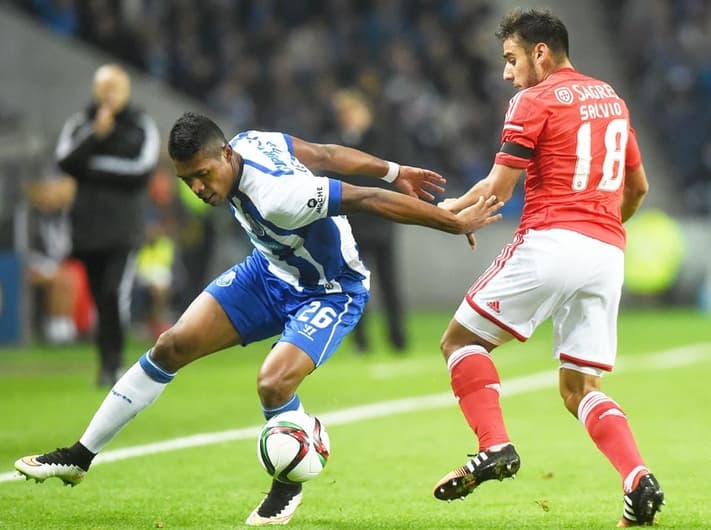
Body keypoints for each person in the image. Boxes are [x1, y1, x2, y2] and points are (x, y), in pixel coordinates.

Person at [15, 111, 504, 527]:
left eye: (204, 174)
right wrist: (394, 168)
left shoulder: (279, 197)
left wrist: (451, 221)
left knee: (273, 384)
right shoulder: (251, 141)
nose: (199, 188)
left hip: (329, 291)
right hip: (267, 272)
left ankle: (288, 481)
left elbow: (365, 199)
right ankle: (80, 457)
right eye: (188, 180)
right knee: (170, 345)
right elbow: (325, 152)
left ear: (225, 155)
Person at [430, 9, 663, 528]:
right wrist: (598, 229)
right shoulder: (613, 100)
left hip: (550, 240)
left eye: (511, 59)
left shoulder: (532, 100)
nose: (507, 73)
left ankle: (494, 447)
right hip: (606, 253)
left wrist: (439, 214)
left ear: (540, 52)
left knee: (459, 342)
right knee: (579, 390)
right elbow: (639, 188)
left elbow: (497, 190)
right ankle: (636, 477)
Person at [54, 63, 160, 386]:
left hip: (123, 230)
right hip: (87, 230)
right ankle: (105, 364)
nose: (110, 94)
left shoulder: (141, 125)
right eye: (104, 88)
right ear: (96, 91)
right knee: (101, 297)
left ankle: (115, 362)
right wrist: (95, 137)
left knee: (115, 294)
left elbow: (141, 171)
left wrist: (91, 167)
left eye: (116, 88)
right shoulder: (81, 124)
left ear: (126, 91)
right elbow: (65, 161)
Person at [330, 88, 407, 352]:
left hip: (380, 221)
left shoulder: (378, 140)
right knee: (355, 284)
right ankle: (361, 341)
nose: (347, 118)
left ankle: (397, 338)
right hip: (353, 226)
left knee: (388, 284)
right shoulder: (339, 143)